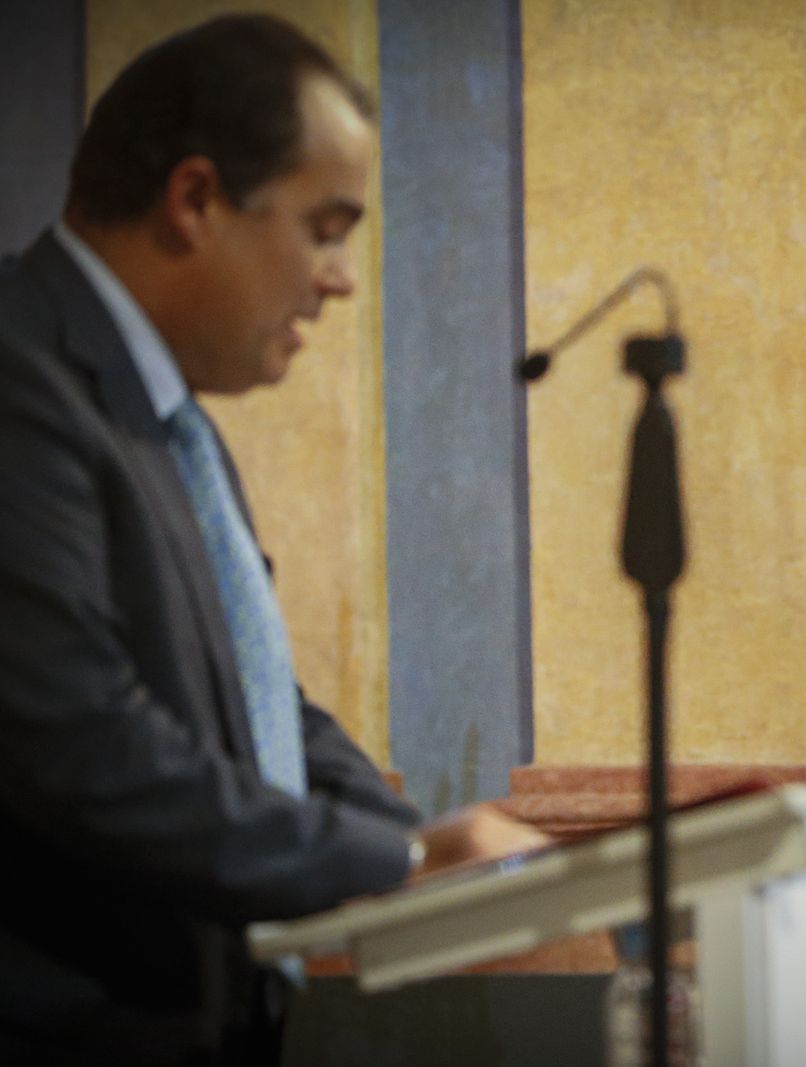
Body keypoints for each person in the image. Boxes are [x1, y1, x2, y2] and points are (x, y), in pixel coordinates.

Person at [0, 15, 543, 1064]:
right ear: (195, 198)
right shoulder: (20, 379)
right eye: (327, 226)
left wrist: (432, 841)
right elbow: (74, 739)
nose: (341, 277)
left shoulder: (162, 417)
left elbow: (257, 705)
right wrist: (390, 854)